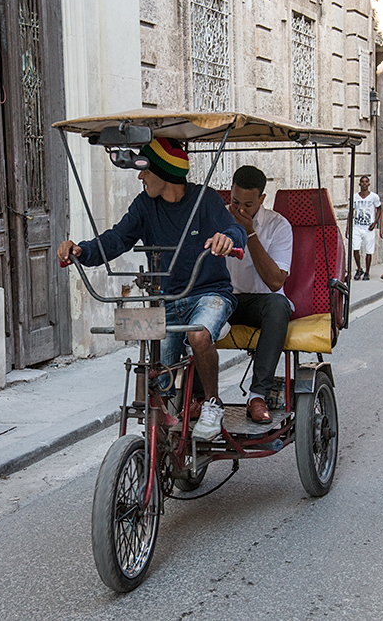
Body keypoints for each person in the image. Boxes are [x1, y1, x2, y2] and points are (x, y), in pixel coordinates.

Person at [57, 137, 247, 440]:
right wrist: (82, 251)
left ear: (164, 172)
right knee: (159, 370)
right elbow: (116, 238)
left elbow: (234, 230)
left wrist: (228, 239)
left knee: (198, 334)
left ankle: (213, 403)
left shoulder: (205, 200)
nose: (140, 176)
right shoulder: (145, 205)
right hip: (168, 299)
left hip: (209, 294)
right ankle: (168, 437)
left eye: (145, 170)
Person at [225, 165, 293, 424]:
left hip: (262, 301)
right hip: (227, 299)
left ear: (262, 199)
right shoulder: (219, 218)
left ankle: (257, 395)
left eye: (248, 205)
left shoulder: (278, 226)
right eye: (235, 202)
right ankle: (200, 398)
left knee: (279, 306)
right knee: (199, 305)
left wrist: (249, 232)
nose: (240, 210)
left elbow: (276, 282)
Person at [346, 176, 381, 281]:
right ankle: (359, 268)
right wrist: (348, 227)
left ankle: (367, 272)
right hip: (357, 226)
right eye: (362, 182)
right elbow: (351, 212)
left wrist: (375, 222)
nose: (364, 184)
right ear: (359, 184)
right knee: (355, 248)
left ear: (369, 184)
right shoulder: (355, 197)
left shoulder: (374, 197)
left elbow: (379, 209)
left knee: (368, 251)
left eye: (366, 182)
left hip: (368, 227)